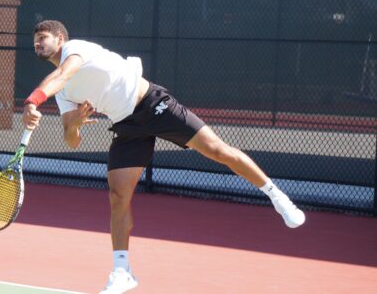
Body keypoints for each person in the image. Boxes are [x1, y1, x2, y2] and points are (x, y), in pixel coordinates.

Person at [22, 20, 305, 294]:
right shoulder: (63, 93)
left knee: (219, 151)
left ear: (61, 39)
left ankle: (276, 196)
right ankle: (122, 271)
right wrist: (74, 125)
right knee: (118, 196)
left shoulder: (76, 50)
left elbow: (62, 75)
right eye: (35, 39)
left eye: (43, 37)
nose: (37, 42)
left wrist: (33, 101)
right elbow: (71, 141)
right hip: (127, 125)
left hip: (153, 104)